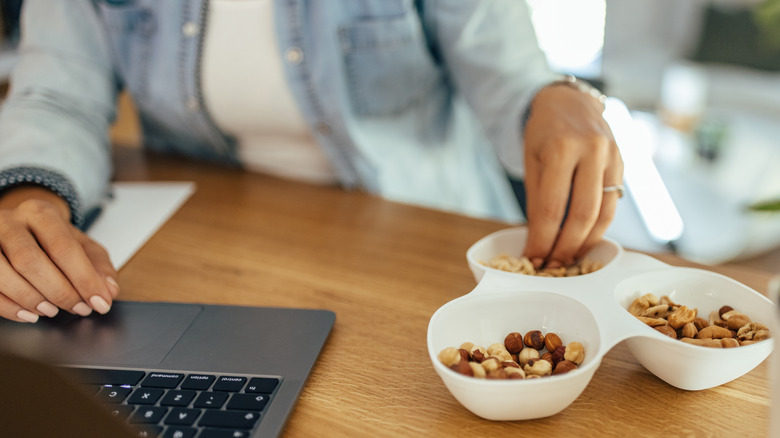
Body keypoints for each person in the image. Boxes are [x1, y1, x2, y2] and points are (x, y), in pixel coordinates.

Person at [0, 0, 623, 323]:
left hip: (418, 247)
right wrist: (26, 191)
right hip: (203, 252)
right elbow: (57, 94)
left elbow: (509, 75)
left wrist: (553, 98)